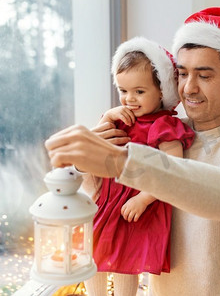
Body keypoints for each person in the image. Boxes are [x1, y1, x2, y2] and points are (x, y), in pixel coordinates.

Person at [45, 7, 220, 296]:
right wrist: (89, 162)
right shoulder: (158, 133)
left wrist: (124, 162)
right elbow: (100, 198)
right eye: (182, 74)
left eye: (204, 76)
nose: (189, 88)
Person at [83, 37, 195, 296]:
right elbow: (90, 152)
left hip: (137, 204)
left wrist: (144, 199)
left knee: (126, 263)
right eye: (123, 91)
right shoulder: (120, 118)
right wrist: (106, 120)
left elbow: (174, 170)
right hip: (108, 201)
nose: (129, 99)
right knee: (92, 256)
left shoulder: (163, 126)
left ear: (162, 91)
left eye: (139, 91)